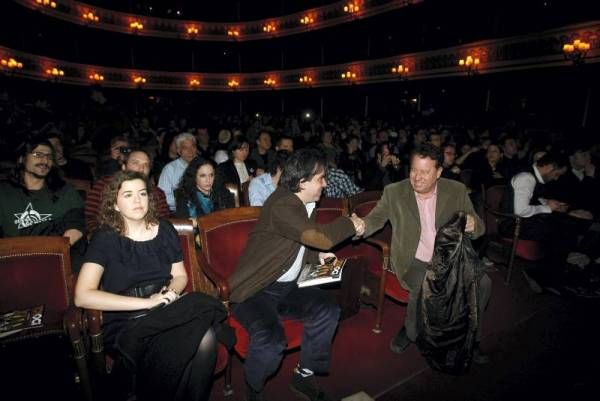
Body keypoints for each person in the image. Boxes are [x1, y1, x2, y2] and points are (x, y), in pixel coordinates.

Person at [75, 171, 227, 401]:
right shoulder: (105, 238)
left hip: (165, 307)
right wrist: (146, 303)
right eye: (128, 195)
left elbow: (180, 276)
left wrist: (170, 294)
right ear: (115, 205)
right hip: (127, 319)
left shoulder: (164, 229)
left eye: (142, 193)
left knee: (203, 333)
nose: (137, 200)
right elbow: (83, 296)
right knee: (198, 336)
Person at [228, 148, 364, 401]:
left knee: (328, 310)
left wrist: (318, 257)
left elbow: (297, 244)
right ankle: (254, 390)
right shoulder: (282, 204)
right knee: (271, 341)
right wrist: (350, 223)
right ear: (302, 182)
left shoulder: (306, 202)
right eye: (321, 178)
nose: (325, 183)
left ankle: (303, 375)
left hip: (287, 286)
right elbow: (320, 237)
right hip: (256, 291)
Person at [355, 144, 491, 363]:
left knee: (483, 283)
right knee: (426, 283)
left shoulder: (455, 190)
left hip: (450, 260)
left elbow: (481, 227)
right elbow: (376, 219)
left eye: (425, 172)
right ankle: (410, 330)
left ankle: (471, 339)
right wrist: (361, 225)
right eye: (413, 170)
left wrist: (474, 225)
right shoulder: (395, 191)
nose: (416, 177)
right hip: (414, 260)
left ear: (438, 172)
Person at [0, 138, 86, 271]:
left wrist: (46, 256)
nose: (44, 160)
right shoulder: (4, 193)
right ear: (21, 159)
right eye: (38, 155)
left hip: (55, 262)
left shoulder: (64, 191)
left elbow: (76, 228)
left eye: (49, 156)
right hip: (12, 263)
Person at [85, 149, 169, 233]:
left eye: (146, 165)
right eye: (136, 163)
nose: (141, 168)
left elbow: (163, 221)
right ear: (124, 167)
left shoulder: (157, 193)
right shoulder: (104, 185)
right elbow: (90, 217)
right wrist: (102, 235)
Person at [158, 133, 198, 212]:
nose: (190, 151)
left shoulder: (203, 165)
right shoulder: (170, 169)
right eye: (185, 148)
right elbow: (163, 196)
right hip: (178, 212)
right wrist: (186, 203)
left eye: (193, 147)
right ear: (179, 151)